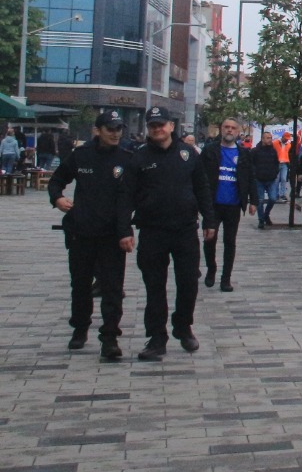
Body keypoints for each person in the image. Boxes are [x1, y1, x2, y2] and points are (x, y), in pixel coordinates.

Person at [128, 106, 216, 362]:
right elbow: (127, 195)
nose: (157, 128)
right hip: (152, 230)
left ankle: (183, 325)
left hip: (185, 230)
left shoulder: (188, 154)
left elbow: (202, 188)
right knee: (155, 287)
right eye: (152, 124)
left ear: (171, 126)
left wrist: (209, 219)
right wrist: (124, 228)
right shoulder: (139, 157)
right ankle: (156, 337)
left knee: (188, 282)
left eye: (161, 124)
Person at [48, 108, 134, 359]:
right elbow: (56, 181)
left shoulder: (126, 158)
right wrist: (58, 199)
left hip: (112, 234)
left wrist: (126, 230)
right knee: (81, 285)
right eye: (110, 129)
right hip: (81, 232)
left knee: (113, 288)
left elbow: (131, 197)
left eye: (119, 129)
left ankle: (109, 337)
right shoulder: (81, 155)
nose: (116, 134)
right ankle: (80, 328)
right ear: (98, 130)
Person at [200, 117, 252, 292]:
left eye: (233, 128)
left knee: (230, 241)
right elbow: (199, 177)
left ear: (238, 132)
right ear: (221, 129)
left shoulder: (243, 153)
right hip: (213, 204)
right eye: (226, 127)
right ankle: (211, 269)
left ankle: (226, 278)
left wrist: (254, 200)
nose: (229, 130)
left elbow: (249, 177)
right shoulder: (209, 150)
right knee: (209, 239)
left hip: (233, 204)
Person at [249, 132, 281, 228]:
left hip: (271, 179)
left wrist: (275, 173)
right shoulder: (255, 151)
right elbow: (251, 164)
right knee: (260, 200)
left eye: (270, 138)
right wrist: (254, 174)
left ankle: (266, 214)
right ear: (262, 139)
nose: (270, 140)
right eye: (267, 138)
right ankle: (261, 220)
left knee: (273, 198)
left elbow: (276, 163)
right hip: (259, 179)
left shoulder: (273, 151)